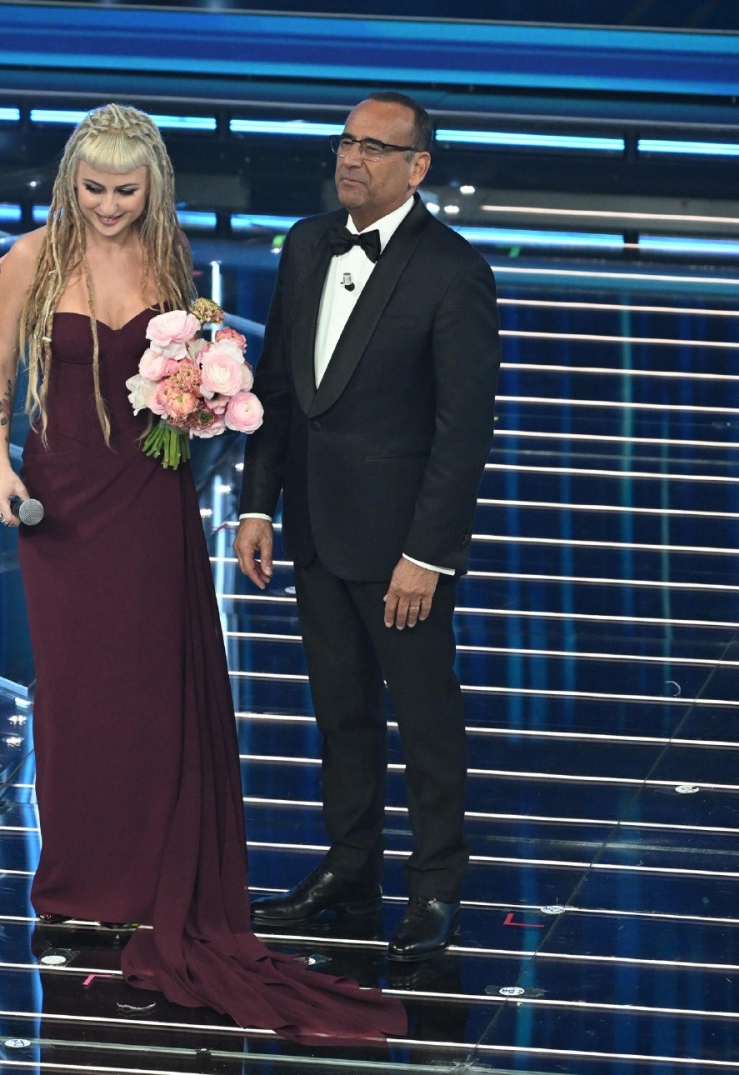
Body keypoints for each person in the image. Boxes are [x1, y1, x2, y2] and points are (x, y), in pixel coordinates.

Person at [0, 103, 404, 1044]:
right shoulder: (33, 258)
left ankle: (145, 875)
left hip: (149, 496)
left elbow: (198, 384)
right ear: (70, 180)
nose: (108, 206)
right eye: (93, 189)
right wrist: (1, 466)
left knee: (150, 688)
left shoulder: (174, 260)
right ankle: (82, 876)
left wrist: (207, 401)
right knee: (77, 690)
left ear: (154, 185)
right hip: (60, 499)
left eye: (126, 191)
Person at [234, 91, 501, 962]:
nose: (351, 159)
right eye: (345, 143)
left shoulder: (453, 270)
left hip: (403, 553)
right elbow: (277, 388)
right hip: (313, 528)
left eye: (374, 149)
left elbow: (463, 433)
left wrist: (427, 554)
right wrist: (258, 502)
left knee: (425, 722)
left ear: (417, 166)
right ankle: (350, 875)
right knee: (340, 714)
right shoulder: (308, 243)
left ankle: (434, 890)